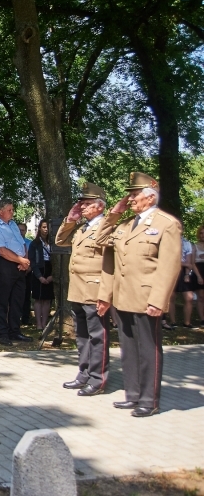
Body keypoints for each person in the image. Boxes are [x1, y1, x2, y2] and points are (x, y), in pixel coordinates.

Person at [96, 172, 181, 417]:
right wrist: (115, 212)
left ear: (150, 197)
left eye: (134, 195)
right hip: (123, 298)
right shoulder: (124, 225)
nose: (130, 199)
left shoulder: (166, 224)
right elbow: (101, 240)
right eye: (130, 195)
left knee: (148, 349)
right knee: (128, 348)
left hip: (146, 298)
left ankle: (148, 399)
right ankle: (132, 395)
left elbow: (169, 266)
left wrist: (158, 300)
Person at [55, 183, 113, 396]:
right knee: (82, 335)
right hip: (78, 289)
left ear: (99, 206)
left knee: (98, 336)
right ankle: (84, 373)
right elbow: (60, 240)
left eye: (87, 204)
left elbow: (110, 263)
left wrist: (106, 293)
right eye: (81, 203)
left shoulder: (106, 226)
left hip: (95, 289)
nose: (82, 207)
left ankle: (98, 379)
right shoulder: (82, 227)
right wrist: (71, 219)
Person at [0, 199, 32, 346]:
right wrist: (20, 260)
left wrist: (24, 260)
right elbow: (1, 250)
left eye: (13, 210)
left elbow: (22, 243)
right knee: (3, 300)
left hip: (19, 264)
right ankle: (3, 333)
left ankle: (15, 331)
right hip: (4, 264)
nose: (12, 212)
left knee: (17, 299)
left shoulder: (13, 225)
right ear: (1, 211)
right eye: (10, 210)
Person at [166, 226, 197, 329]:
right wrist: (183, 264)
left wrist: (187, 274)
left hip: (184, 273)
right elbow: (168, 261)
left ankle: (187, 323)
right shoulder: (167, 242)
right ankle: (173, 322)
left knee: (189, 298)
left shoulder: (187, 243)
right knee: (172, 297)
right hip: (170, 271)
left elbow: (189, 263)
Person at [28, 219, 54, 331]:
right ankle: (38, 323)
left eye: (47, 227)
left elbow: (57, 260)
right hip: (39, 271)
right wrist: (39, 276)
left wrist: (53, 275)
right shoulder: (35, 243)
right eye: (44, 227)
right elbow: (32, 261)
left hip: (50, 270)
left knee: (47, 299)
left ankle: (44, 323)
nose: (46, 229)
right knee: (38, 299)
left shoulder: (53, 242)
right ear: (40, 228)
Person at [18, 222, 33, 325]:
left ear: (25, 231)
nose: (20, 232)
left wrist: (29, 268)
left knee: (26, 296)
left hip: (27, 273)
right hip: (16, 272)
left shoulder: (30, 243)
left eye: (22, 230)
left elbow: (32, 258)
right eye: (19, 230)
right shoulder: (12, 242)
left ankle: (25, 318)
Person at [192, 224, 204, 325]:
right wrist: (199, 276)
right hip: (199, 271)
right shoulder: (194, 246)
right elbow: (192, 263)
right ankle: (202, 319)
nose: (202, 235)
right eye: (201, 233)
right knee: (201, 296)